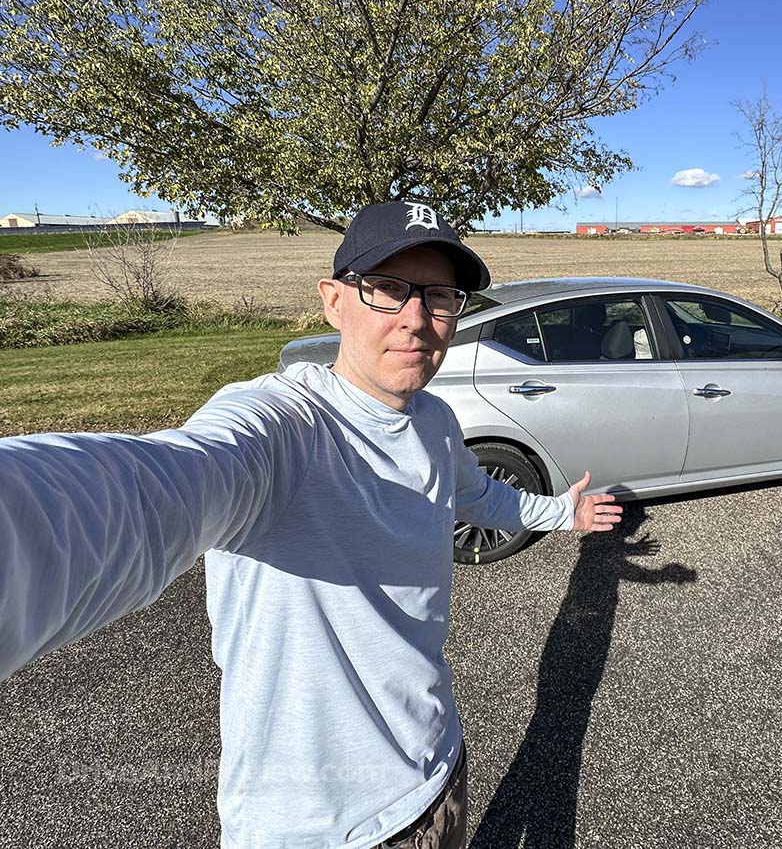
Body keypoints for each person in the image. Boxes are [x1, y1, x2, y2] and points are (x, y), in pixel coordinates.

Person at [0, 199, 623, 849]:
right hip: (321, 829)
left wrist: (562, 512)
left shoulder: (436, 420)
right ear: (334, 300)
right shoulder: (281, 425)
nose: (416, 321)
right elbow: (153, 489)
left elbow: (482, 499)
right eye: (387, 289)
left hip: (440, 768)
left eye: (440, 296)